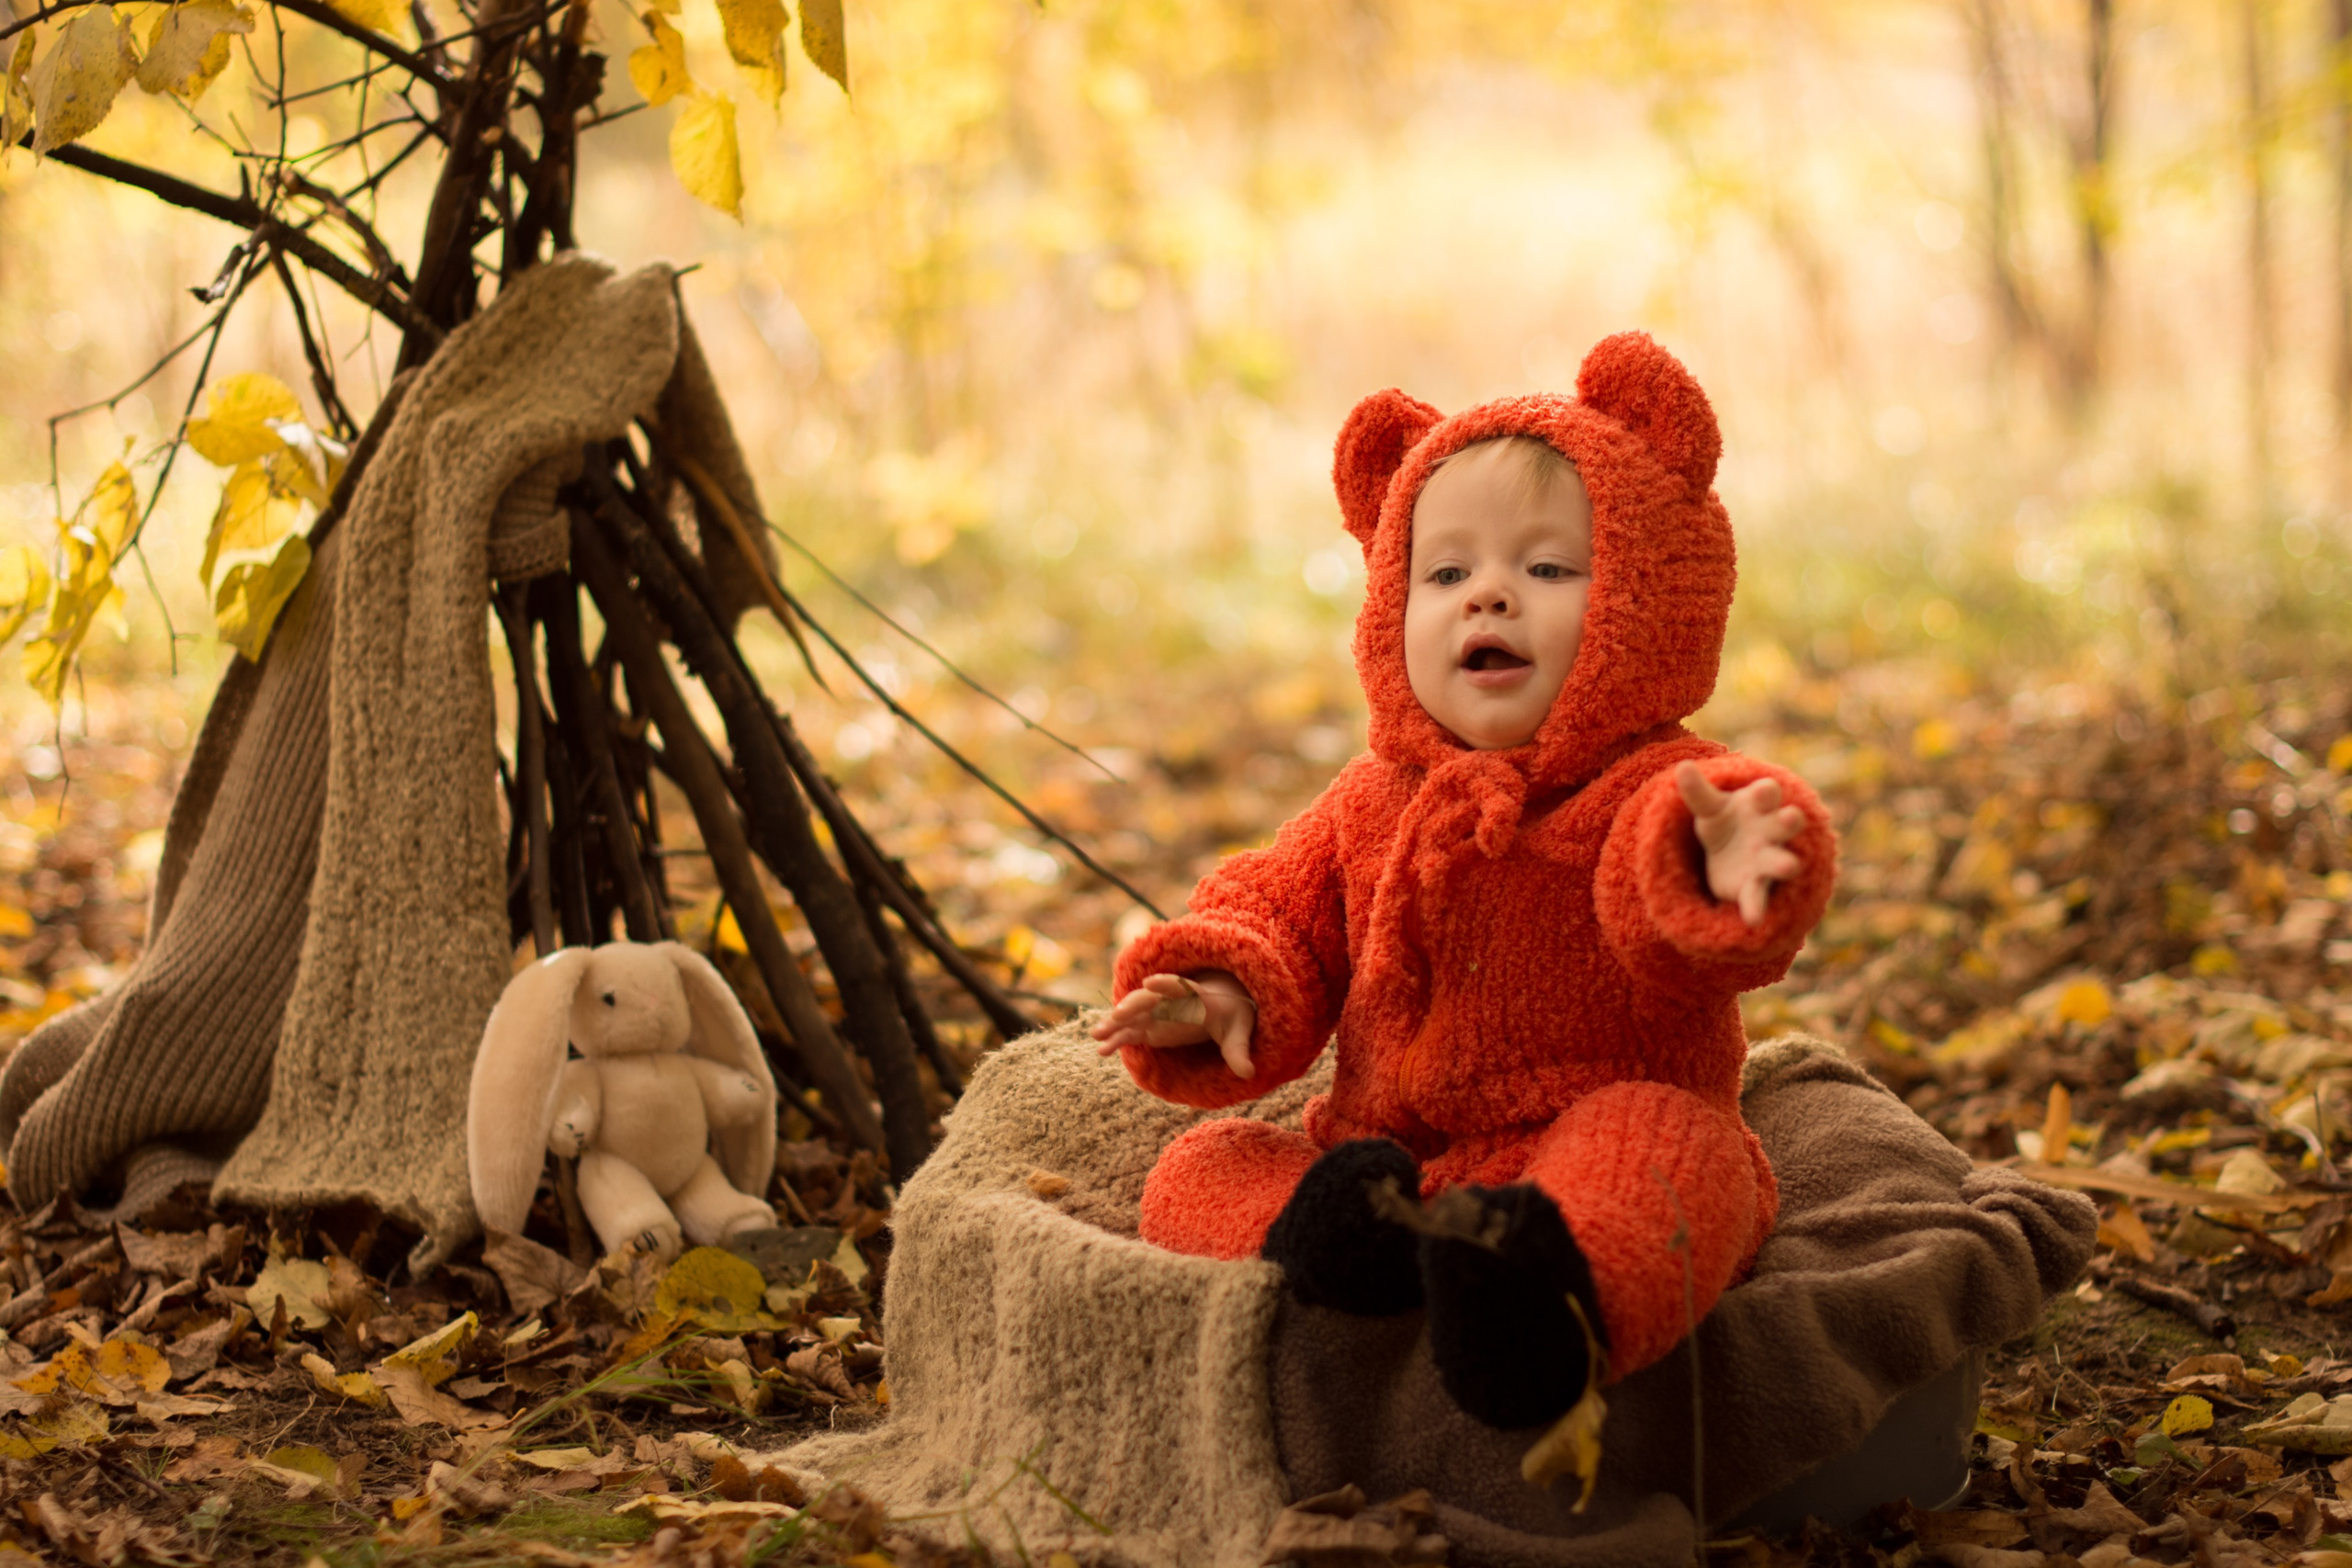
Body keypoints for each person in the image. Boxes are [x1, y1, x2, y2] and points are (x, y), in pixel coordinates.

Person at [1089, 333, 1838, 1431]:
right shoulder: (1371, 800)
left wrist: (1718, 866)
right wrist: (1219, 993)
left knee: (1681, 1159)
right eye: (1446, 574)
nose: (1488, 598)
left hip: (1579, 1145)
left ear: (1646, 596)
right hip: (1387, 1162)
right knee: (1197, 1170)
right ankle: (1348, 1248)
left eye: (1545, 569)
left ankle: (1550, 1307)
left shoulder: (1652, 783)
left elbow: (1665, 876)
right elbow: (1280, 911)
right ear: (1392, 605)